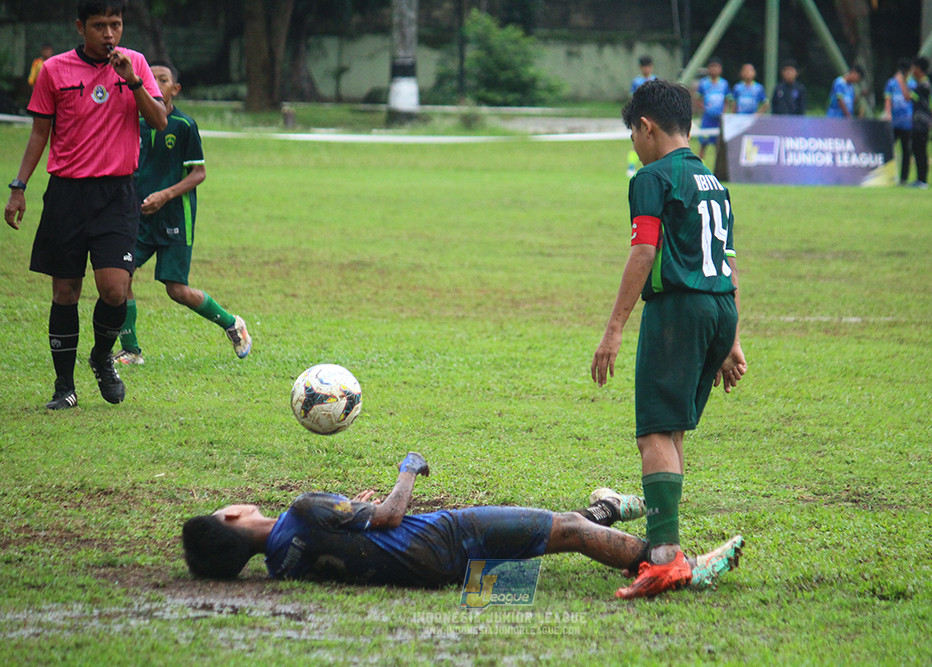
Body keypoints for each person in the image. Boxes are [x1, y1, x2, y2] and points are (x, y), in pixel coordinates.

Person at [182, 452, 744, 598]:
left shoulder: (281, 565)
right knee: (567, 529)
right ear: (230, 516)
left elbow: (354, 543)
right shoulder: (301, 510)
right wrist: (409, 468)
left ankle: (611, 510)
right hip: (447, 538)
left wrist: (360, 517)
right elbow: (391, 515)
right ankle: (673, 567)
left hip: (442, 579)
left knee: (542, 547)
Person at [590, 79, 746, 599]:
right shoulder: (712, 180)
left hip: (678, 311)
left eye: (632, 133)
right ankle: (667, 546)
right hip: (719, 307)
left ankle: (662, 561)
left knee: (653, 433)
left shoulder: (652, 178)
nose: (634, 144)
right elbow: (727, 263)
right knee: (673, 430)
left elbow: (643, 254)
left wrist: (613, 330)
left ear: (646, 126)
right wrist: (733, 340)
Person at [3, 0, 167, 410]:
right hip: (67, 194)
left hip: (116, 195)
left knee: (115, 289)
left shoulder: (136, 64)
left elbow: (160, 120)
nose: (109, 34)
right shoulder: (55, 70)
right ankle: (64, 387)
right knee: (65, 291)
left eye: (115, 24)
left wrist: (132, 82)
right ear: (81, 27)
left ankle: (100, 357)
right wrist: (18, 186)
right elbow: (40, 134)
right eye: (99, 25)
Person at [114, 62, 250, 366]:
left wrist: (164, 195)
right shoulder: (133, 121)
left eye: (164, 79)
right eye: (152, 78)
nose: (157, 83)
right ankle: (131, 350)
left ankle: (231, 323)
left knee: (176, 290)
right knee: (119, 276)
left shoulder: (184, 125)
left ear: (175, 89)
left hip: (176, 216)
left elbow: (198, 173)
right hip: (137, 214)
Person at [883, 57, 914, 185]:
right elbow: (888, 99)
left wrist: (902, 82)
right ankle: (887, 177)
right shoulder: (891, 83)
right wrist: (888, 113)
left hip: (907, 123)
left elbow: (908, 97)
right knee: (888, 149)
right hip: (894, 122)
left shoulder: (911, 83)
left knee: (906, 151)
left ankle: (903, 179)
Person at [695, 57, 731, 160]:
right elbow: (698, 98)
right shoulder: (704, 83)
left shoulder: (724, 84)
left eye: (717, 67)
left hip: (719, 118)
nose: (714, 70)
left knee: (718, 144)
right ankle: (700, 163)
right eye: (712, 67)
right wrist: (704, 108)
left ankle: (717, 166)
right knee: (703, 142)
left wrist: (724, 112)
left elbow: (728, 99)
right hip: (707, 118)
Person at [908, 57, 932, 189]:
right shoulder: (921, 85)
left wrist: (903, 79)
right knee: (917, 150)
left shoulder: (924, 86)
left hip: (922, 124)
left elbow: (907, 96)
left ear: (919, 69)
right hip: (919, 123)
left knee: (920, 150)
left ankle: (922, 180)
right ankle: (920, 179)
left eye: (914, 67)